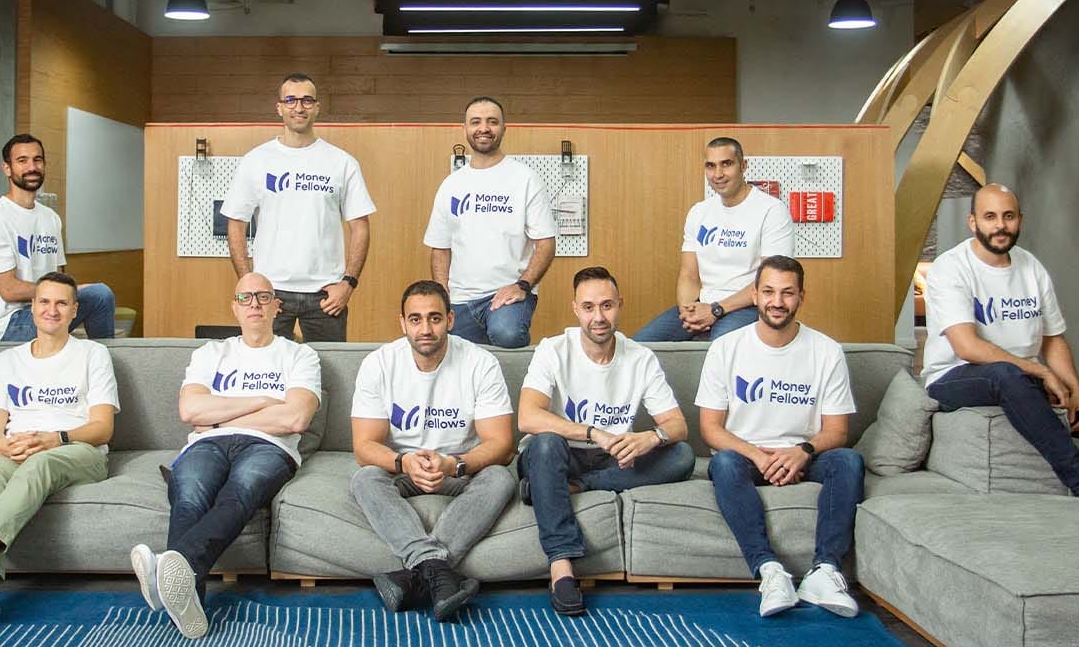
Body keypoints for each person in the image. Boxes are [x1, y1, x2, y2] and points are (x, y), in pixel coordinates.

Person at [130, 272, 321, 639]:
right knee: (189, 496)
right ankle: (189, 601)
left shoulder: (300, 355)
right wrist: (262, 401)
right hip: (207, 444)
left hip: (269, 445)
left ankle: (166, 574)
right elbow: (190, 410)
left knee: (241, 491)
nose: (254, 304)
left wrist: (218, 417)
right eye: (245, 298)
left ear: (276, 306)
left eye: (263, 297)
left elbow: (295, 418)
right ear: (235, 308)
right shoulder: (210, 353)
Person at [0, 272, 118, 625]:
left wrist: (54, 438)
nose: (52, 310)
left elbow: (103, 429)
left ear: (75, 310)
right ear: (32, 307)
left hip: (76, 449)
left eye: (61, 303)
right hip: (19, 445)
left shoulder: (94, 354)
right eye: (44, 302)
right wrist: (1, 444)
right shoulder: (6, 361)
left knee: (38, 465)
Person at [517, 266, 695, 615]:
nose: (598, 317)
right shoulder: (553, 350)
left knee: (683, 456)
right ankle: (561, 566)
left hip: (612, 460)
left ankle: (571, 486)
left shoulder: (640, 358)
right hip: (558, 454)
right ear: (575, 309)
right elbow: (528, 417)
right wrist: (592, 432)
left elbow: (677, 426)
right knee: (546, 442)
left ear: (619, 305)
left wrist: (651, 437)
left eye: (606, 306)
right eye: (588, 307)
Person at [696, 256, 864, 618]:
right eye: (769, 292)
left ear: (801, 297)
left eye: (787, 293)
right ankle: (770, 572)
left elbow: (837, 430)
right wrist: (759, 457)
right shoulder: (726, 348)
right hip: (746, 456)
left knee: (849, 460)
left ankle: (825, 571)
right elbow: (710, 428)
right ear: (754, 295)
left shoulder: (826, 351)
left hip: (804, 455)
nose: (777, 301)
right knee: (723, 464)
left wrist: (802, 451)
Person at [922, 183, 1079, 501]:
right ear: (973, 222)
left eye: (1008, 216)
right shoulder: (950, 268)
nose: (1000, 225)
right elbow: (967, 347)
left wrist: (1074, 391)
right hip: (952, 378)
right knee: (1005, 374)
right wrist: (1042, 372)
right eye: (990, 217)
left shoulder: (1030, 266)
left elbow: (1052, 340)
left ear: (1020, 219)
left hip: (1021, 378)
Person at [350, 280, 516, 620]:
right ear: (402, 323)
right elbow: (364, 446)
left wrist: (453, 464)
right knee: (365, 478)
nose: (425, 329)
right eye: (415, 319)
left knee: (500, 478)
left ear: (450, 320)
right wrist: (404, 461)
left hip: (459, 470)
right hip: (403, 469)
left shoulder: (480, 363)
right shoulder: (379, 364)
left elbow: (501, 445)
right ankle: (437, 571)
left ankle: (417, 575)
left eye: (435, 318)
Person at [220, 73, 376, 342]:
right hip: (270, 292)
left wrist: (348, 283)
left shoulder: (342, 163)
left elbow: (360, 226)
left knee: (330, 368)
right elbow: (236, 223)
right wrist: (250, 284)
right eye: (291, 100)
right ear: (279, 107)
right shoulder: (256, 161)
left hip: (326, 296)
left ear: (317, 107)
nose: (299, 107)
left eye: (307, 100)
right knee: (268, 366)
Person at [424, 96, 557, 348]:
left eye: (492, 122)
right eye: (475, 122)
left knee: (507, 333)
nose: (484, 128)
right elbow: (440, 247)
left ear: (504, 128)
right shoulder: (451, 185)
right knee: (453, 355)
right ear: (464, 129)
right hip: (460, 299)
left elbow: (546, 244)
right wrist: (442, 296)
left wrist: (522, 285)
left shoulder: (525, 179)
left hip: (507, 296)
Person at [634, 137, 794, 342]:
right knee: (640, 346)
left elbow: (771, 281)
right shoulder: (699, 212)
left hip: (747, 306)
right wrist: (688, 312)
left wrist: (716, 310)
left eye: (726, 164)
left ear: (743, 166)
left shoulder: (772, 211)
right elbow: (688, 275)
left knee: (719, 349)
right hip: (703, 304)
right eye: (711, 166)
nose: (718, 174)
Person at [0, 133, 116, 344]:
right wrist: (67, 291)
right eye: (22, 161)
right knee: (96, 293)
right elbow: (9, 290)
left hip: (49, 310)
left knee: (100, 296)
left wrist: (65, 292)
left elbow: (58, 277)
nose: (32, 167)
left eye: (37, 160)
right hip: (12, 324)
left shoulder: (50, 218)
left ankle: (102, 360)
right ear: (7, 168)